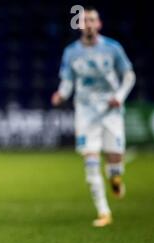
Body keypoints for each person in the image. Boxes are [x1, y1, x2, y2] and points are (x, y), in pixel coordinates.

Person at [51, 6, 135, 227]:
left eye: (92, 20)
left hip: (111, 111)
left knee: (115, 159)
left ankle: (115, 178)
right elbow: (68, 81)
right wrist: (61, 95)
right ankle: (104, 211)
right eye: (84, 20)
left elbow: (129, 75)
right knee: (90, 159)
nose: (88, 24)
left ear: (99, 24)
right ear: (79, 25)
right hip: (86, 113)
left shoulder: (113, 48)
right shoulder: (71, 52)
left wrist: (120, 96)